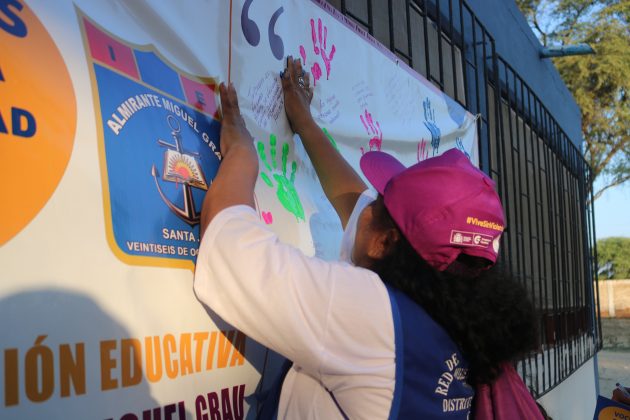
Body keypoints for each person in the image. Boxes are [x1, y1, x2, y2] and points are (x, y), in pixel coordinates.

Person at [194, 57, 538, 419]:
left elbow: (230, 248)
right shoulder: (460, 320)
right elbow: (353, 199)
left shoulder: (370, 315)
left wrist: (242, 154)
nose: (366, 202)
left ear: (384, 242)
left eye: (378, 200)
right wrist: (305, 125)